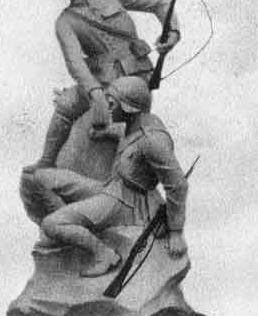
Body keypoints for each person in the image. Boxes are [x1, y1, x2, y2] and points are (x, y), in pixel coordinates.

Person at [24, 0, 181, 173]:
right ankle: (47, 161)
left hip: (135, 76)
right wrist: (94, 92)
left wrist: (172, 31)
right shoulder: (65, 21)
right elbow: (75, 61)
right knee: (65, 104)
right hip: (101, 80)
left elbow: (160, 2)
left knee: (130, 120)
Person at [26, 76, 189, 277]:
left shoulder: (153, 141)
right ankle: (73, 228)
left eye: (111, 103)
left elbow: (178, 185)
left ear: (129, 108)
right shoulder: (137, 123)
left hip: (127, 205)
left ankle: (104, 254)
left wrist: (176, 232)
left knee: (51, 224)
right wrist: (105, 132)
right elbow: (126, 134)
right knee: (42, 176)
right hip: (112, 188)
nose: (107, 107)